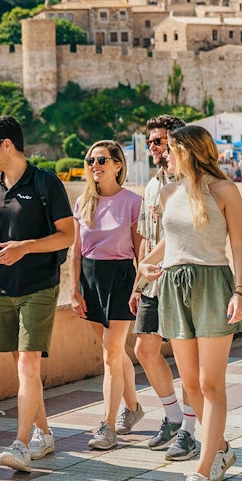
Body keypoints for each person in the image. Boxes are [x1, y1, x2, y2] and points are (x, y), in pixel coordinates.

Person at [0, 116, 74, 472]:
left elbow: (67, 235)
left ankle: (21, 444)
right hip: (2, 288)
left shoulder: (45, 183)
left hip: (39, 286)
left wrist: (27, 247)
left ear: (7, 145)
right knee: (23, 369)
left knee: (27, 364)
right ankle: (44, 433)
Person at [138, 125, 242, 481]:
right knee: (192, 385)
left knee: (210, 383)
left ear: (188, 151)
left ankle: (201, 470)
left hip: (213, 285)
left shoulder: (225, 190)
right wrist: (144, 264)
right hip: (173, 286)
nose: (164, 154)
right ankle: (220, 450)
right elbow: (172, 237)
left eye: (170, 148)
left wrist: (241, 291)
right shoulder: (170, 192)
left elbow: (240, 245)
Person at [129, 115, 199, 462]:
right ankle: (173, 417)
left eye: (160, 141)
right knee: (144, 349)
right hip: (155, 281)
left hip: (185, 279)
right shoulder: (154, 186)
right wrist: (138, 283)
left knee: (188, 358)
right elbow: (145, 238)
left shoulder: (193, 182)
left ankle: (189, 429)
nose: (155, 148)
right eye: (151, 143)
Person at [70, 140, 144, 450]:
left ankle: (107, 426)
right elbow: (75, 253)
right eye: (90, 160)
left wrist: (140, 288)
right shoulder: (83, 201)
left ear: (117, 165)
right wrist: (73, 290)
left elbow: (142, 252)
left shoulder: (132, 202)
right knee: (113, 351)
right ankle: (134, 407)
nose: (94, 165)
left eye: (101, 159)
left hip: (121, 278)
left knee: (110, 354)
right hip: (89, 279)